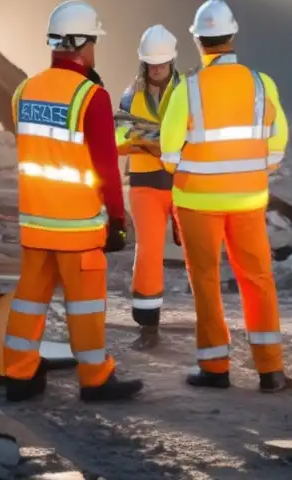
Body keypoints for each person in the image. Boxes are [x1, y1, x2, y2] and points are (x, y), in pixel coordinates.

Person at [3, 0, 143, 403]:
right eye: (93, 42)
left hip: (35, 223)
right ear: (81, 44)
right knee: (84, 307)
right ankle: (95, 378)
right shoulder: (91, 97)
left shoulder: (24, 91)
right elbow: (105, 168)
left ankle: (19, 374)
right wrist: (117, 219)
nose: (95, 49)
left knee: (29, 301)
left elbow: (40, 152)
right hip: (77, 228)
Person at [160, 0, 290, 393]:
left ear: (198, 41)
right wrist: (249, 172)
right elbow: (278, 146)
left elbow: (168, 154)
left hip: (198, 202)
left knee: (206, 281)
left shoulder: (188, 88)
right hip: (248, 201)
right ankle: (271, 370)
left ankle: (215, 368)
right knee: (258, 279)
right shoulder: (261, 83)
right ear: (232, 36)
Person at [116, 24, 182, 350]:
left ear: (172, 60)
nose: (156, 68)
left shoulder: (187, 93)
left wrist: (158, 141)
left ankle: (213, 327)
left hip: (184, 183)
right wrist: (145, 141)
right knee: (149, 253)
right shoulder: (130, 97)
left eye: (162, 62)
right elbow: (117, 137)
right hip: (144, 185)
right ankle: (148, 328)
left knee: (199, 252)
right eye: (151, 63)